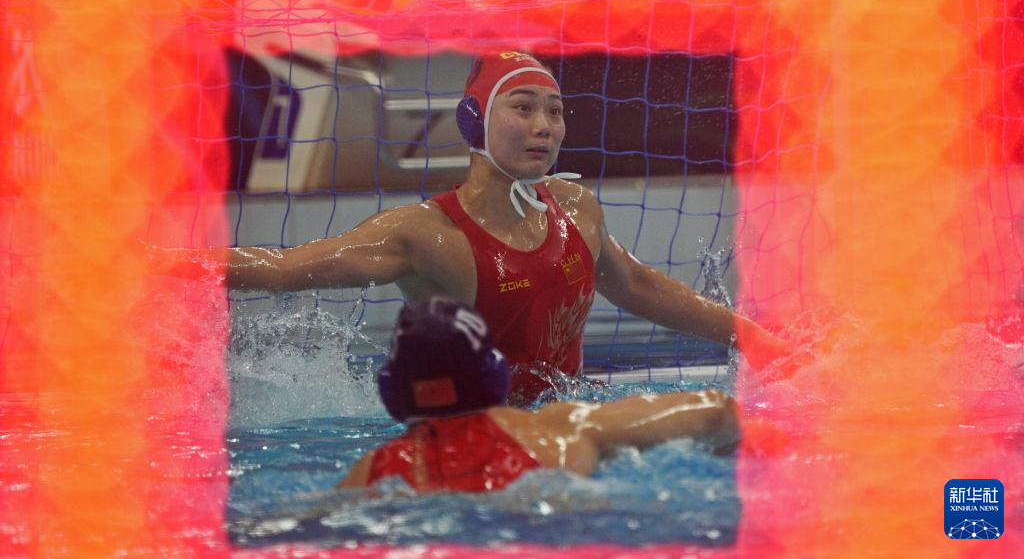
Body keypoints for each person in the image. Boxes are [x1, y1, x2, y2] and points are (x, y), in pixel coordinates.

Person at [163, 50, 789, 402]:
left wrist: (756, 339)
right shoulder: (427, 234)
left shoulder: (576, 206)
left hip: (566, 420)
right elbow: (284, 269)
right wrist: (159, 265)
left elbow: (637, 284)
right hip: (481, 441)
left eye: (555, 111)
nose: (544, 126)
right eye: (524, 108)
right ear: (473, 121)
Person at [338, 298, 740, 493]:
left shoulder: (376, 471)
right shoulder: (558, 430)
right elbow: (714, 410)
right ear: (493, 372)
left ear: (393, 388)